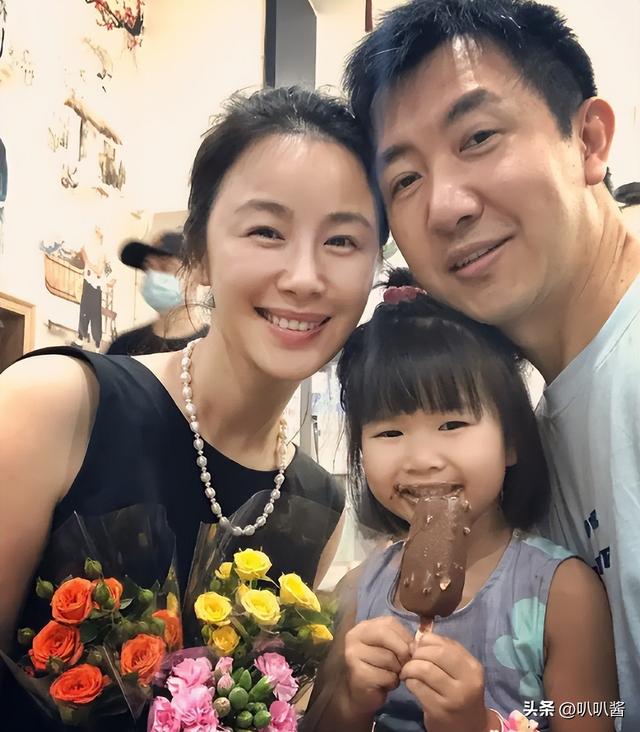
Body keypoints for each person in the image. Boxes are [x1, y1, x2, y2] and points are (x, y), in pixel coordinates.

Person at [0, 86, 387, 729]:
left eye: (343, 241)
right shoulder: (56, 406)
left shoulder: (316, 506)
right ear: (200, 254)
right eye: (266, 231)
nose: (304, 276)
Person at [344, 0, 640, 724]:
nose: (445, 206)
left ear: (589, 140)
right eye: (404, 180)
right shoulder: (543, 421)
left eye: (478, 137)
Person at [308, 270, 617, 732]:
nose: (422, 459)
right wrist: (348, 702)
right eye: (390, 432)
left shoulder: (563, 593)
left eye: (452, 425)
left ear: (511, 439)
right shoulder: (358, 591)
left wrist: (479, 725)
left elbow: (592, 717)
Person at [107, 231, 209, 356]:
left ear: (196, 275)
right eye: (148, 267)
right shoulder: (123, 347)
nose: (154, 276)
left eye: (165, 266)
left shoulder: (216, 344)